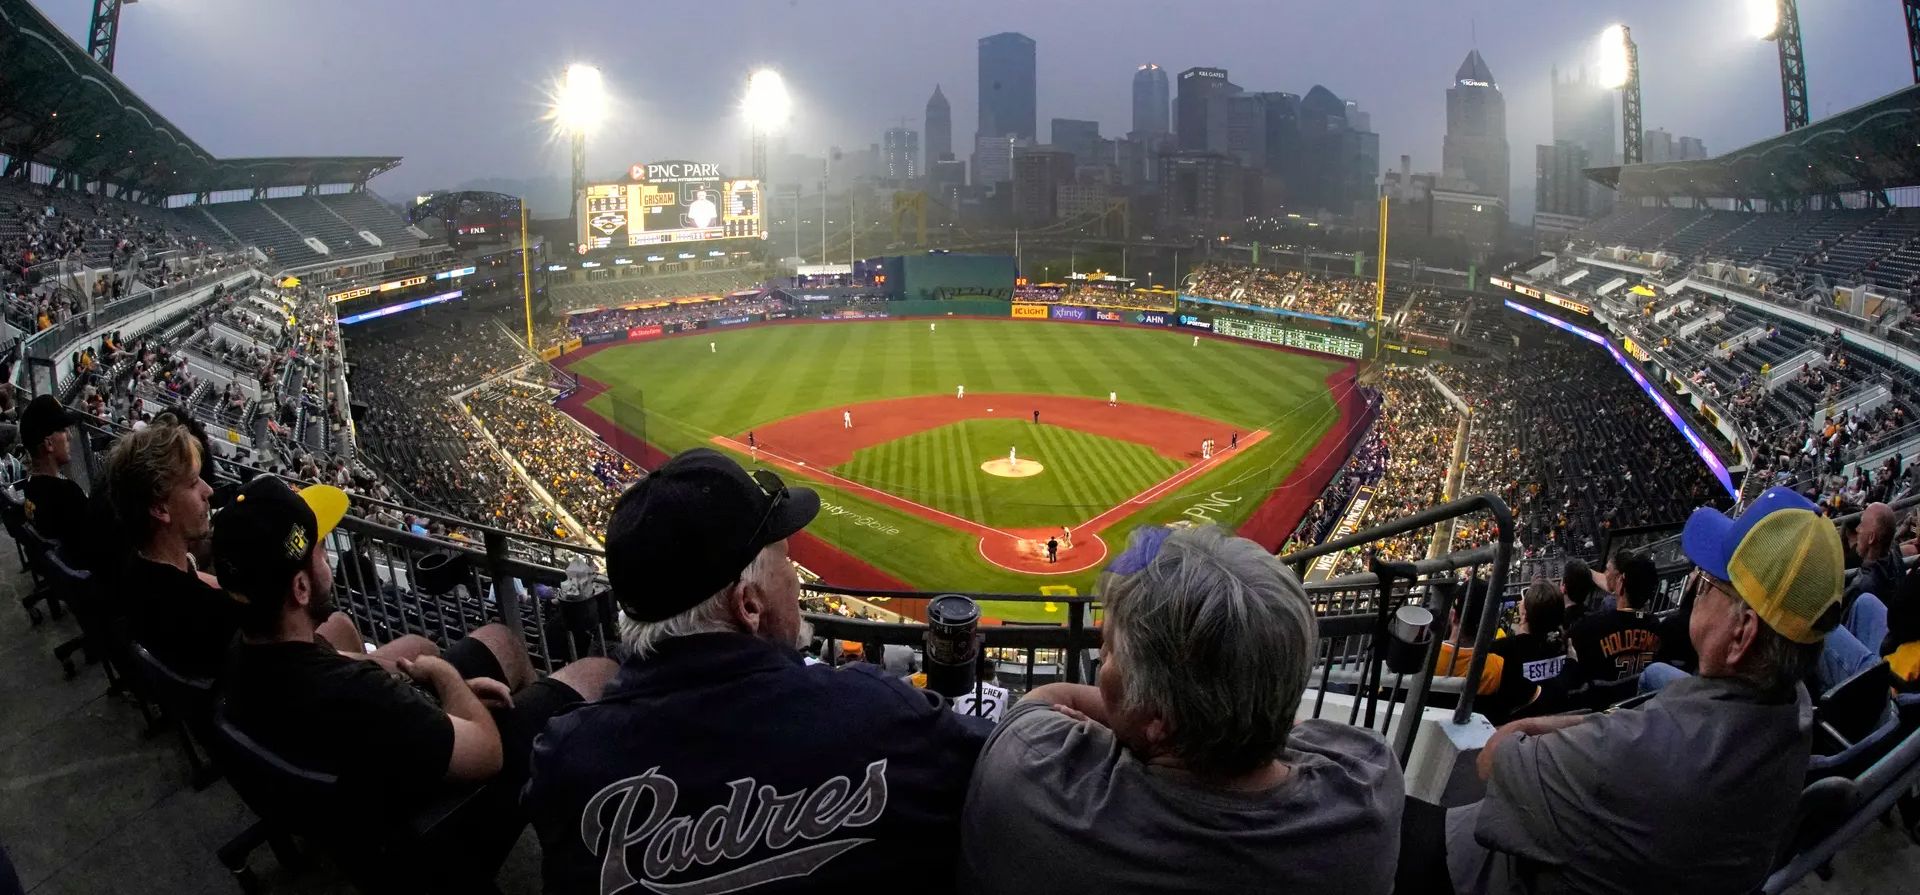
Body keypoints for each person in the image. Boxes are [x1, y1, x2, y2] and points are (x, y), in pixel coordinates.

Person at [524, 449, 989, 893]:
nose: (795, 580)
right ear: (748, 604)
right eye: (785, 561)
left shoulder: (564, 757)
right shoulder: (879, 715)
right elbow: (1002, 766)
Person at [960, 525, 1404, 894]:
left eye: (1109, 652)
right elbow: (1285, 724)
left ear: (1157, 720)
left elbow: (1046, 700)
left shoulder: (1032, 769)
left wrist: (1114, 723)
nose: (1102, 660)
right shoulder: (1370, 782)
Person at [1445, 485, 1843, 894]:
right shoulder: (1797, 711)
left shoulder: (1635, 753)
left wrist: (1535, 725)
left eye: (1707, 582)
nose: (1696, 589)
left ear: (1742, 633)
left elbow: (1493, 759)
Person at [216, 477, 617, 857]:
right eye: (321, 549)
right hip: (431, 828)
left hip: (359, 789)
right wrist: (443, 677)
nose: (327, 560)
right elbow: (487, 752)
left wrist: (441, 691)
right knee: (597, 673)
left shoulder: (244, 650)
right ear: (300, 588)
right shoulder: (364, 696)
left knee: (500, 640)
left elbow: (347, 668)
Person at [109, 418, 231, 679]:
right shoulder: (208, 613)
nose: (208, 490)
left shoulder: (137, 568)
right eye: (193, 482)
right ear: (159, 508)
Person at [1433, 576, 1539, 724]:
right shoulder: (1498, 667)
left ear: (1454, 616)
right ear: (1491, 624)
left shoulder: (1426, 657)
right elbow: (1533, 695)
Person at [1567, 548, 1663, 686]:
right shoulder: (1656, 625)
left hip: (1601, 703)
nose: (1605, 575)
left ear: (1621, 582)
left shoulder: (1591, 626)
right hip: (1637, 699)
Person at [18, 395, 89, 549]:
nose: (70, 436)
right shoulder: (68, 494)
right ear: (49, 444)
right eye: (63, 430)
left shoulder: (30, 486)